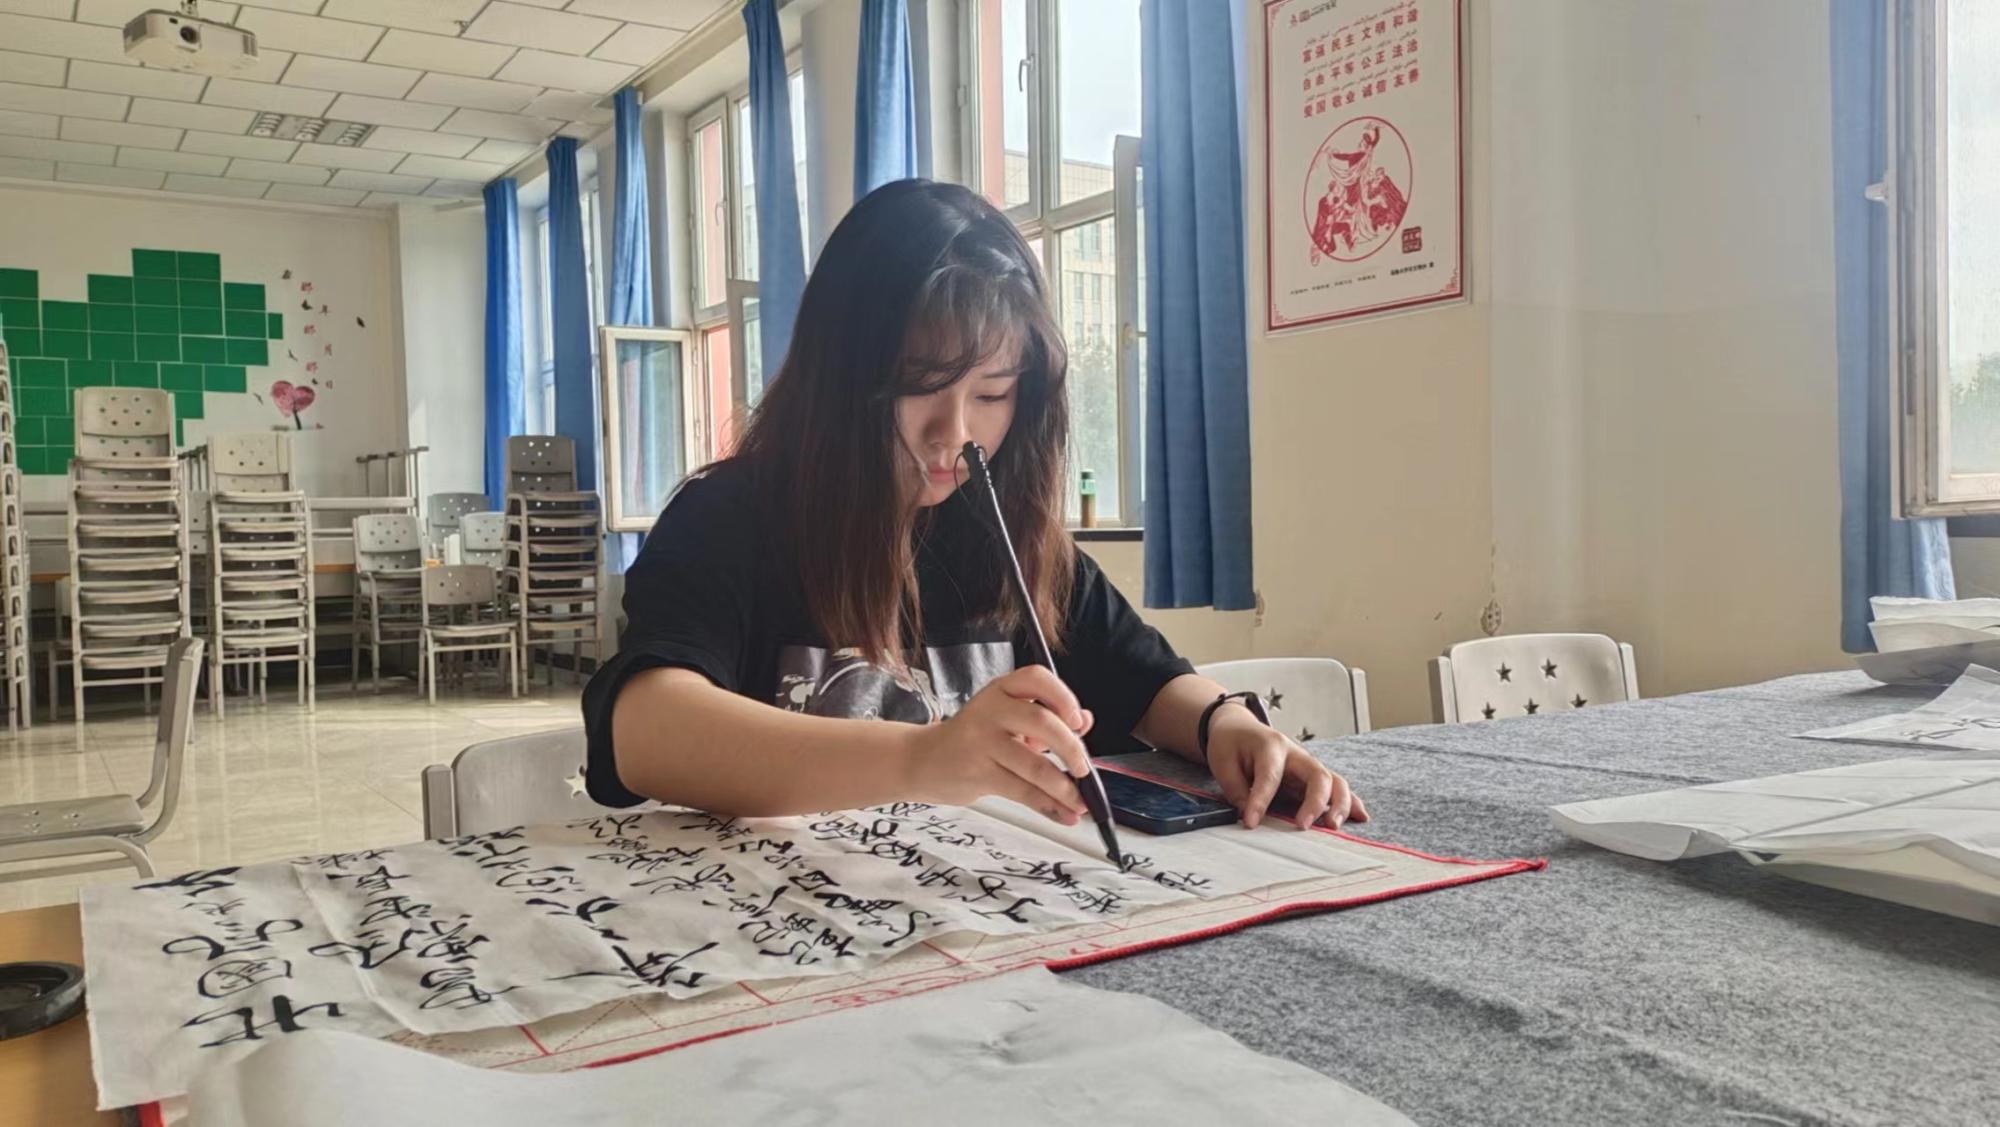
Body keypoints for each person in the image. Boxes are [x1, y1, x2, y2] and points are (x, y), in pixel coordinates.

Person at [583, 179, 1369, 835]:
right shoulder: (731, 518)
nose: (954, 435)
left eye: (992, 394)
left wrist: (1225, 724)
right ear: (840, 377)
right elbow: (644, 730)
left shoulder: (1001, 528)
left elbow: (1146, 678)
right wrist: (923, 757)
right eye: (918, 386)